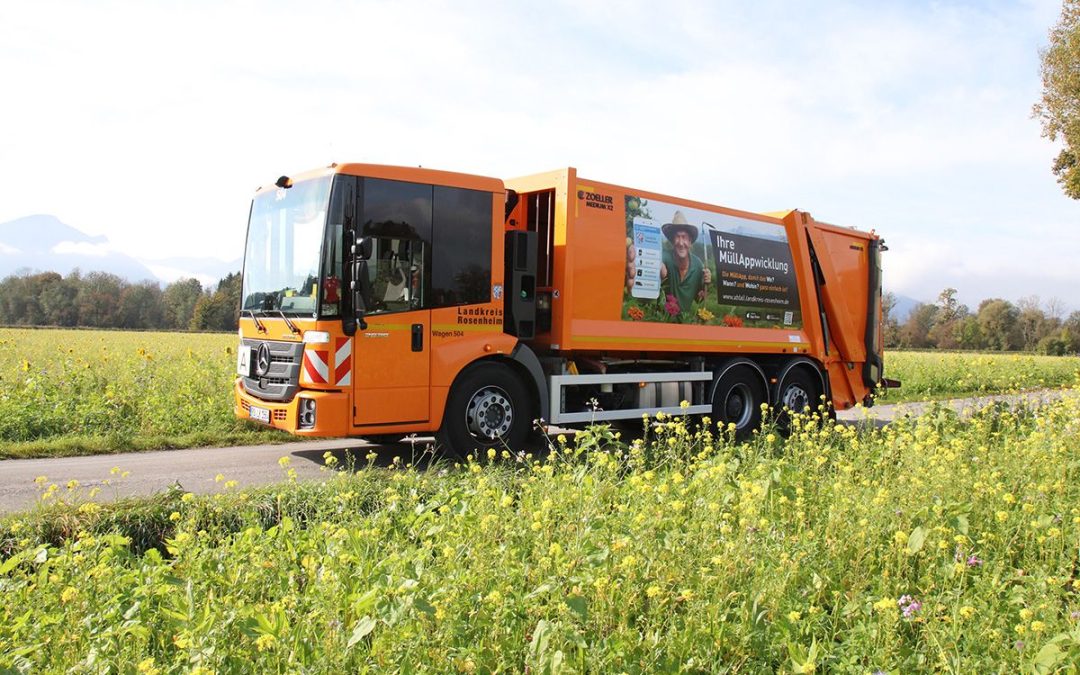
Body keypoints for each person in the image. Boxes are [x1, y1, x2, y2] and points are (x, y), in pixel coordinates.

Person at [660, 211, 711, 317]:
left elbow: (699, 299)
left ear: (690, 241)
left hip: (684, 323)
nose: (681, 242)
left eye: (684, 237)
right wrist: (659, 268)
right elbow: (658, 262)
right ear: (672, 240)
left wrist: (707, 284)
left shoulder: (698, 265)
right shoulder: (665, 256)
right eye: (677, 237)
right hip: (662, 320)